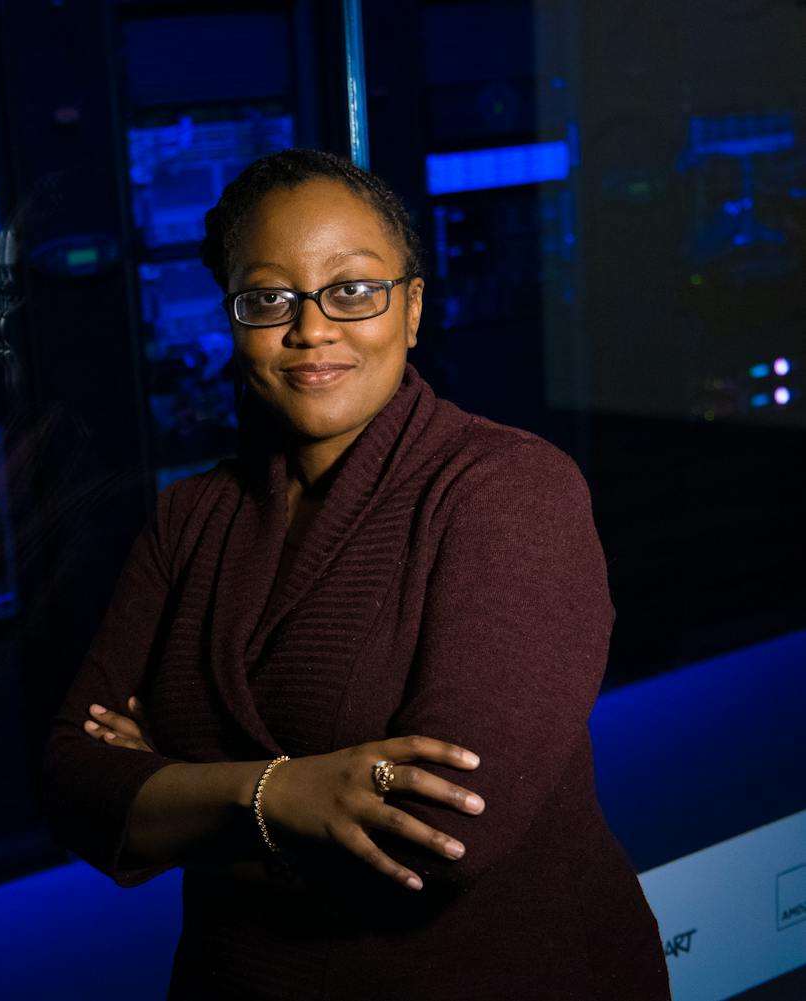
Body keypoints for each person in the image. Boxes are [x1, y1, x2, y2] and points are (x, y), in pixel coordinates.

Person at [40, 149, 671, 1000]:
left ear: (411, 309)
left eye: (353, 288)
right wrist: (285, 792)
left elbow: (444, 833)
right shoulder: (191, 516)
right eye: (269, 299)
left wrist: (172, 793)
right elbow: (73, 784)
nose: (312, 328)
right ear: (232, 320)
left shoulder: (508, 490)